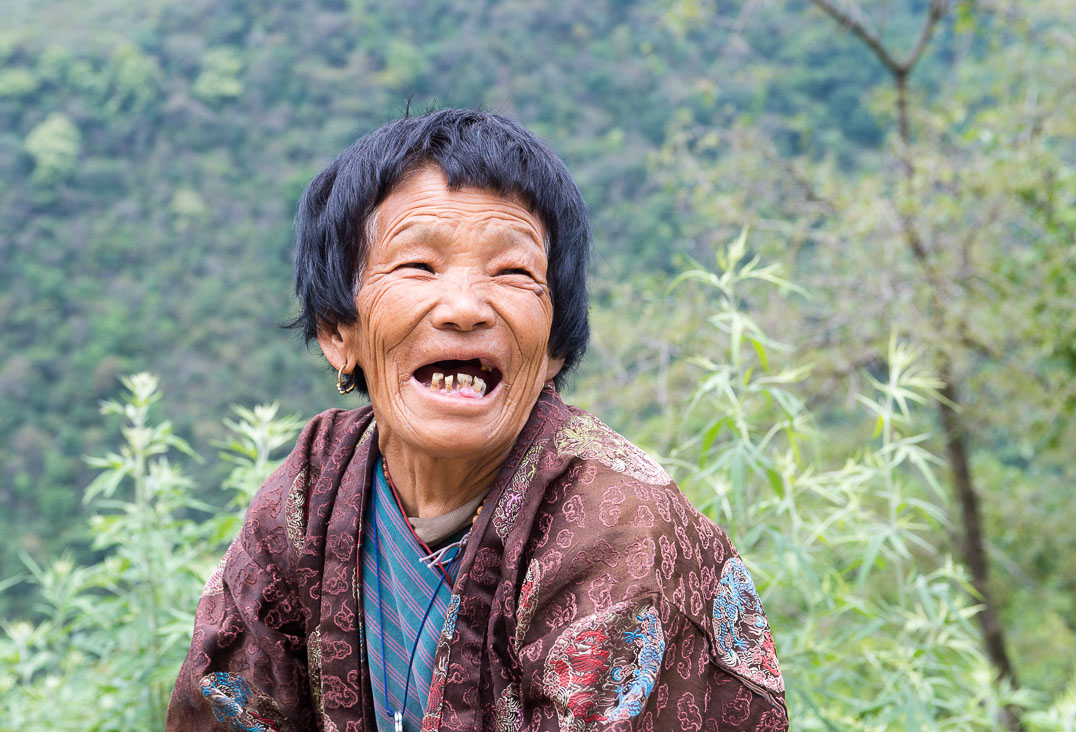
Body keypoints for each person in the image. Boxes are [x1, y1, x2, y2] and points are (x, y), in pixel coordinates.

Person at [167, 109, 788, 732]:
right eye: (418, 267)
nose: (465, 308)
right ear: (338, 331)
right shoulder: (311, 494)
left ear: (553, 350)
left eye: (513, 272)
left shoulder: (618, 529)